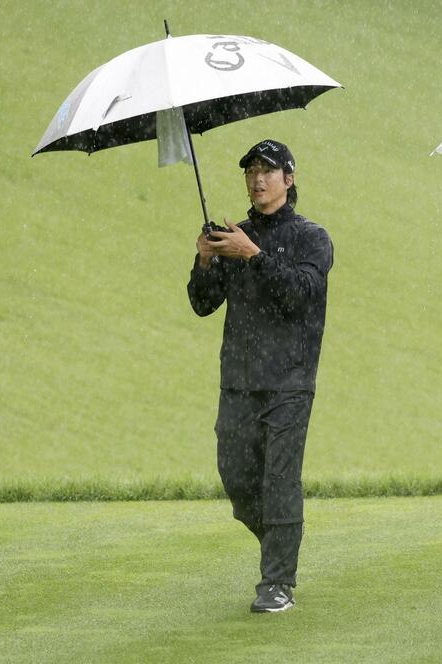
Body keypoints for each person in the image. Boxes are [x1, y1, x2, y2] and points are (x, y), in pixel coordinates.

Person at [187, 139, 334, 613]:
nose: (257, 179)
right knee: (236, 477)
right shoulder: (234, 236)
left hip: (290, 380)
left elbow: (301, 295)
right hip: (239, 380)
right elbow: (202, 304)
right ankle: (279, 541)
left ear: (289, 181)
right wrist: (207, 258)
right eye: (251, 170)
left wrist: (252, 253)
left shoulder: (312, 237)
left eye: (268, 171)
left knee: (280, 479)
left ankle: (277, 583)